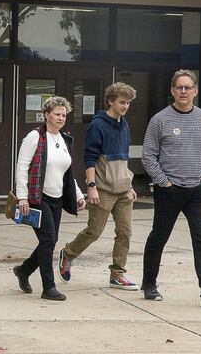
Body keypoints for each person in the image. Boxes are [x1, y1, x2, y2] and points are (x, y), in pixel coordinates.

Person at [140, 69, 201, 307]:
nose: (183, 91)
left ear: (195, 91)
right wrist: (165, 182)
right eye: (179, 87)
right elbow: (148, 156)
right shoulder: (159, 120)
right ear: (172, 90)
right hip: (169, 190)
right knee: (159, 237)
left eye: (187, 87)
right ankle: (149, 284)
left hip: (198, 192)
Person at [57, 82, 139, 290]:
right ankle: (68, 253)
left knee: (125, 232)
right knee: (94, 231)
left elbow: (123, 158)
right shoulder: (98, 125)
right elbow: (89, 157)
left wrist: (129, 184)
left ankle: (117, 274)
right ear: (111, 101)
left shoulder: (124, 124)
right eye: (121, 102)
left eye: (128, 103)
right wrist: (91, 186)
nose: (125, 106)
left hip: (123, 190)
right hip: (102, 188)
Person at [12, 96, 86, 301]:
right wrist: (22, 197)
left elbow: (67, 172)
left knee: (49, 240)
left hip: (58, 198)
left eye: (64, 115)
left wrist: (79, 195)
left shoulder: (64, 139)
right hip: (38, 197)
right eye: (57, 114)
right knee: (48, 241)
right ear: (46, 115)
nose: (61, 118)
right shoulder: (35, 137)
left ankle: (24, 270)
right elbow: (22, 168)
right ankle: (48, 287)